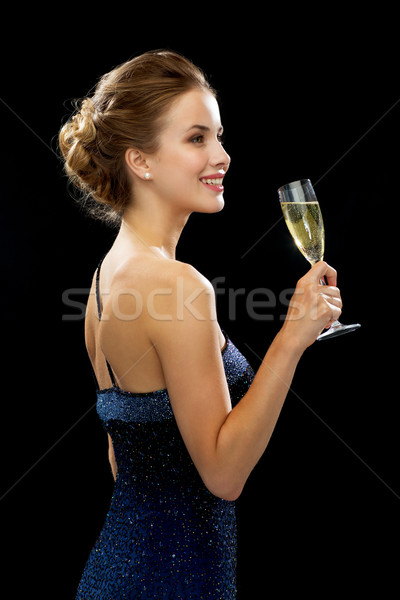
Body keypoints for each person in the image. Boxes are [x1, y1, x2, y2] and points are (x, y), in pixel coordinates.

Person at [59, 49, 342, 600]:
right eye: (196, 139)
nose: (223, 156)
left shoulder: (102, 280)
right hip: (172, 582)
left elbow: (124, 455)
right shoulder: (178, 285)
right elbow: (223, 475)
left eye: (218, 135)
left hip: (121, 570)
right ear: (140, 160)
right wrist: (292, 339)